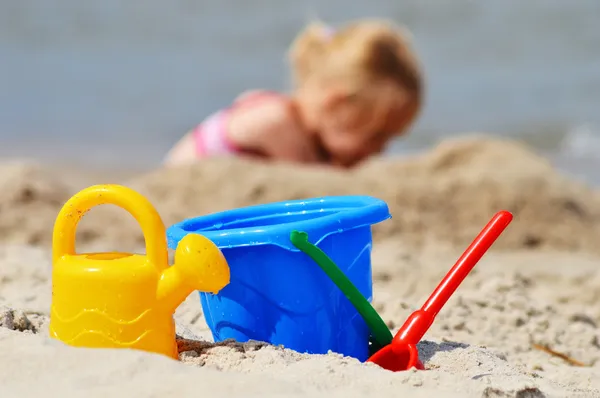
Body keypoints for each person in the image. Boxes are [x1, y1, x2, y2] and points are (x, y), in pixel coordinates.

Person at [164, 19, 423, 168]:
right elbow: (311, 186)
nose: (380, 151)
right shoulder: (276, 122)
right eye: (377, 135)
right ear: (336, 103)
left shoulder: (306, 131)